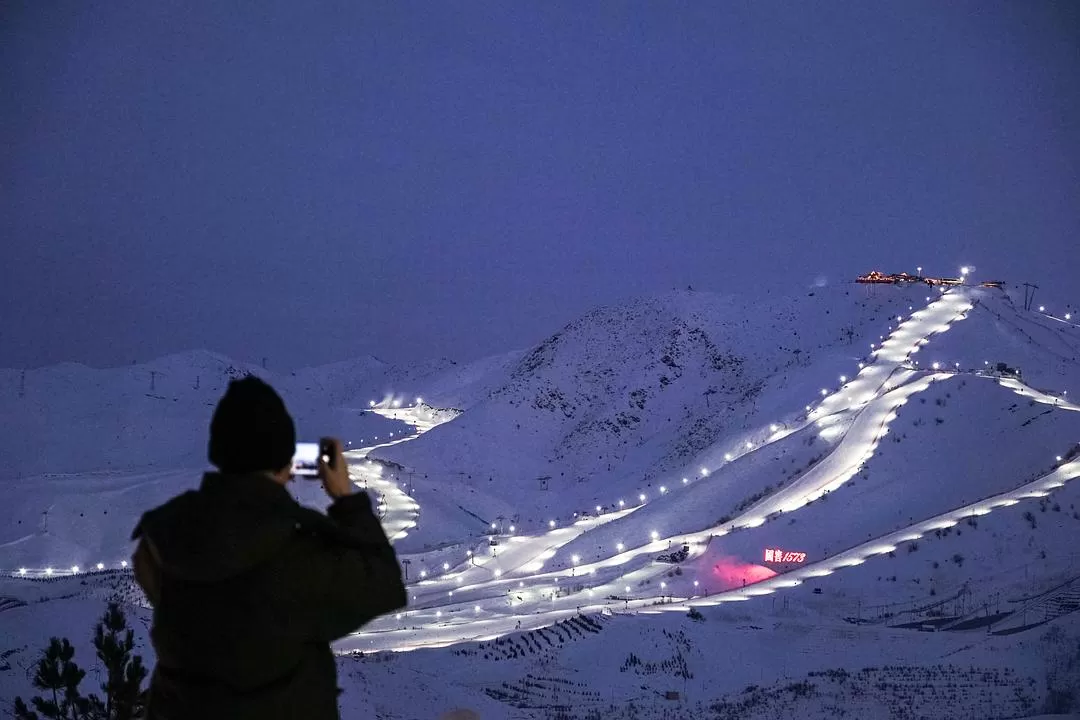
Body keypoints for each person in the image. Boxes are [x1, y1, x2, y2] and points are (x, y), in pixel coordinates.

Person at [131, 376, 406, 720]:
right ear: (286, 463)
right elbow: (383, 584)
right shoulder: (297, 553)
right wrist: (345, 500)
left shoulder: (162, 540)